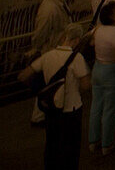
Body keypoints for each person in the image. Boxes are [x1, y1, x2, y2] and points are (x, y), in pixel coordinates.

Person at [20, 23, 90, 170]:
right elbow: (85, 84)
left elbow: (24, 75)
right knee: (71, 146)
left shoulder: (48, 56)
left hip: (52, 109)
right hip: (72, 107)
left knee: (52, 143)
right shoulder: (76, 58)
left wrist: (39, 89)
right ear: (77, 40)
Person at [88, 0, 115, 154]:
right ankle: (107, 144)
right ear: (112, 16)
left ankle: (93, 140)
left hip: (98, 68)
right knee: (110, 108)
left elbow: (91, 43)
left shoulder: (98, 29)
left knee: (96, 106)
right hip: (111, 71)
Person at [31, 0, 71, 124]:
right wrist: (38, 48)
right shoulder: (49, 9)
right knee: (49, 83)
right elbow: (41, 32)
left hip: (58, 48)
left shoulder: (57, 3)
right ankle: (39, 116)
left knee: (53, 82)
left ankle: (48, 111)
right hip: (52, 49)